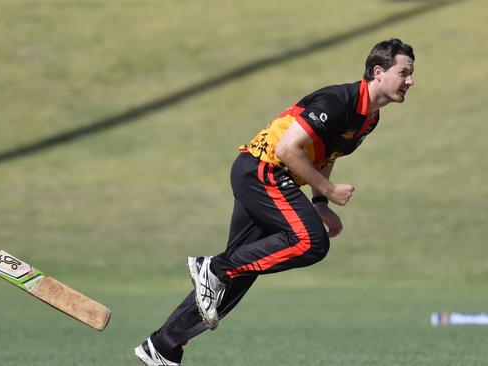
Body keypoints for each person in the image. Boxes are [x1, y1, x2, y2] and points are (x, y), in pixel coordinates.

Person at [135, 38, 415, 366]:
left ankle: (163, 346)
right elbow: (287, 149)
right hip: (262, 170)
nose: (410, 81)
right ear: (378, 72)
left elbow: (327, 152)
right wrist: (331, 188)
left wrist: (320, 201)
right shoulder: (339, 101)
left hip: (270, 178)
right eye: (404, 72)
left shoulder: (370, 118)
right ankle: (213, 267)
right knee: (311, 243)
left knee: (242, 271)